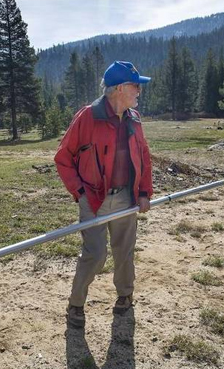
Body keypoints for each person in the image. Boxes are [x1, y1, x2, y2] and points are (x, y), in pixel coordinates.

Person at [54, 61, 153, 328]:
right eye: (136, 86)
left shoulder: (134, 119)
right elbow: (63, 158)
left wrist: (144, 192)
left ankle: (125, 296)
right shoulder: (88, 117)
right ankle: (75, 305)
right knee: (95, 254)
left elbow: (144, 157)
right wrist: (81, 192)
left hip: (126, 197)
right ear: (120, 88)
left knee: (124, 252)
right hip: (94, 199)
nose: (139, 92)